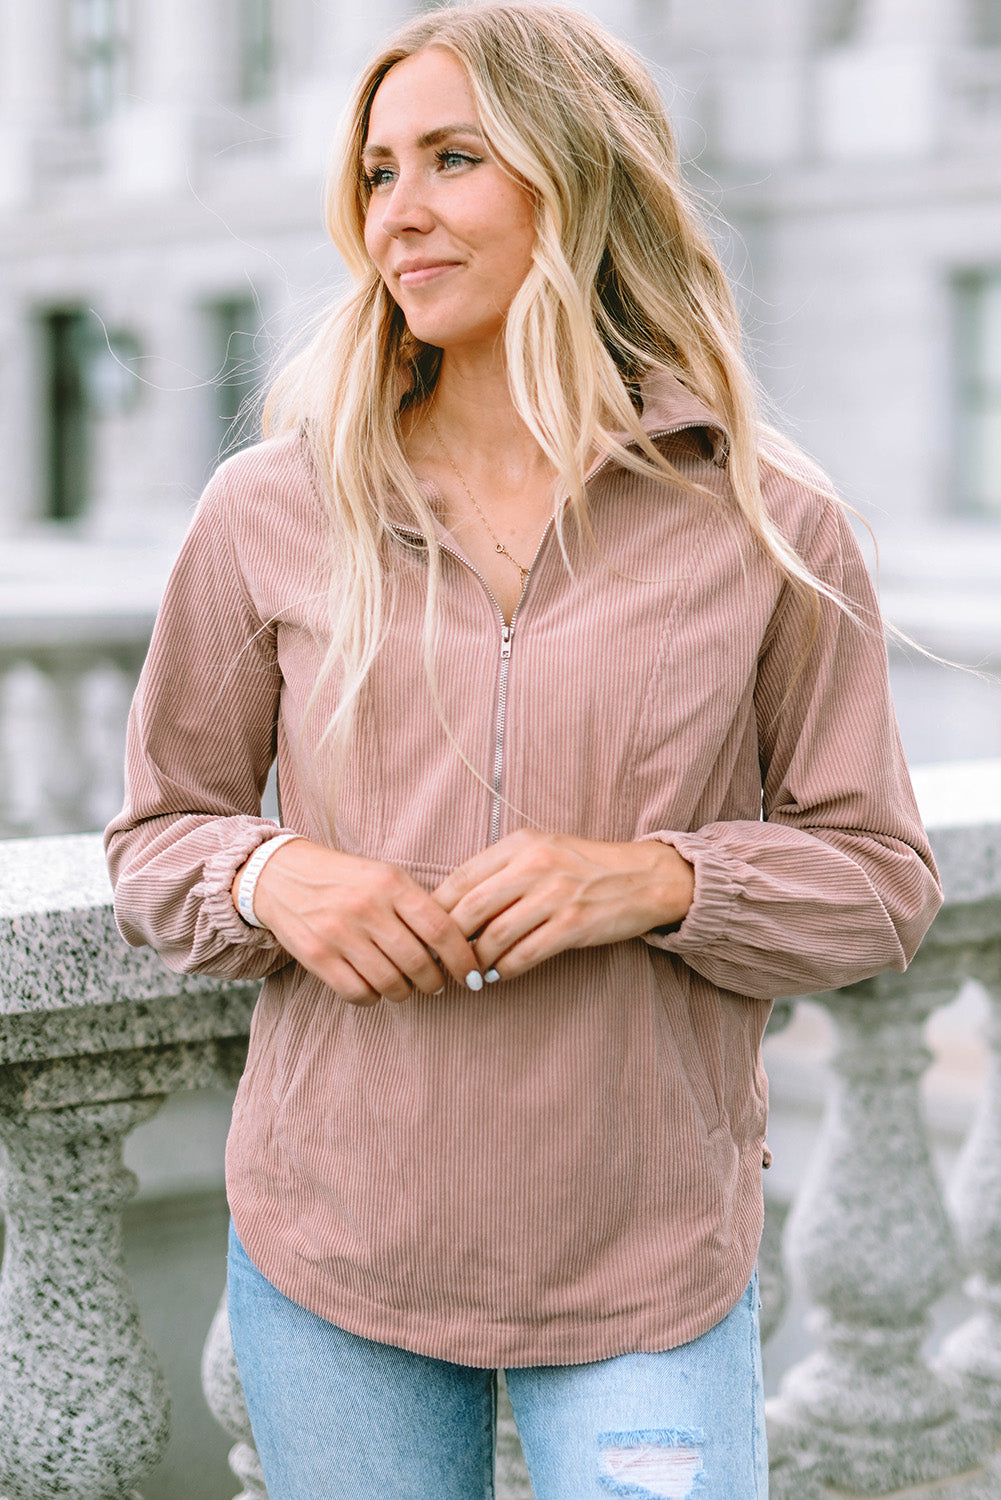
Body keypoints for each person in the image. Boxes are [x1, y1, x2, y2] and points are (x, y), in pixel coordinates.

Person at [104, 4, 943, 1496]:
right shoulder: (266, 508)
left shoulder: (762, 520)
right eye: (375, 172)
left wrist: (659, 880)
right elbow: (160, 833)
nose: (398, 214)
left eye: (452, 159)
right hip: (334, 1241)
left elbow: (879, 882)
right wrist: (272, 878)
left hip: (644, 1262)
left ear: (577, 182)